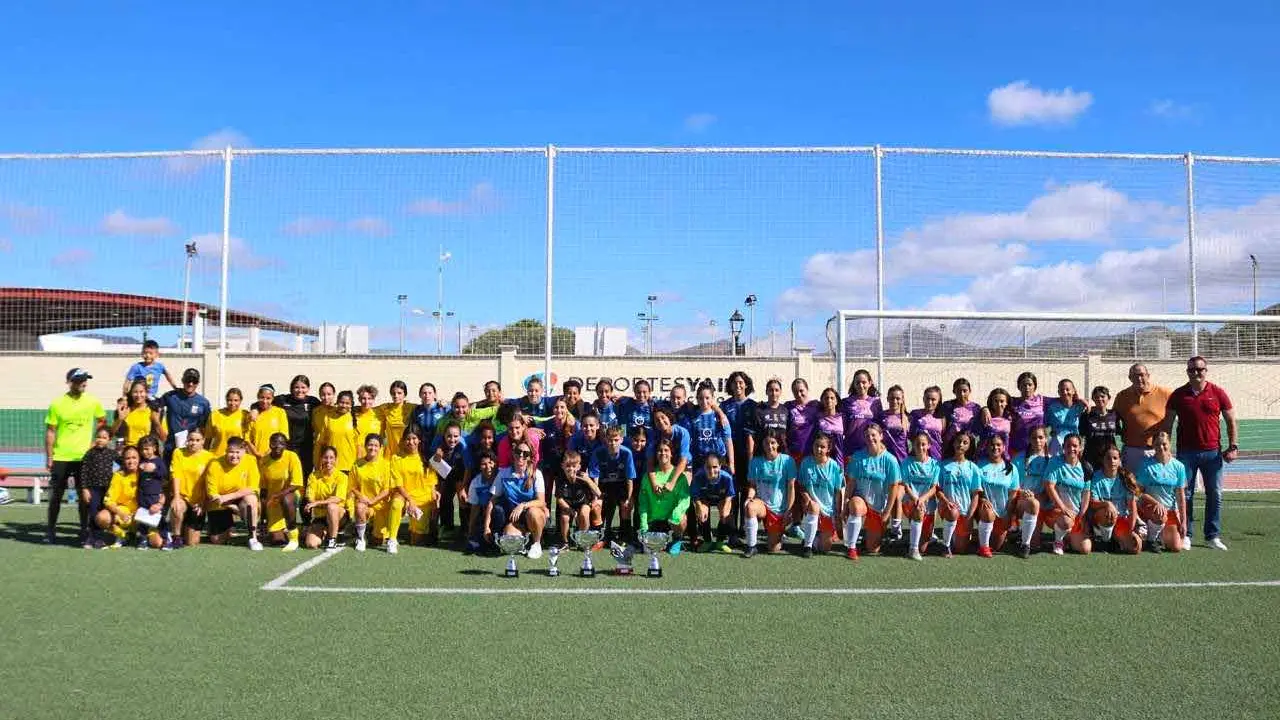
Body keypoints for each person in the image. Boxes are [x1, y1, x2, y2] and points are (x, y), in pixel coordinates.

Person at [1162, 356, 1238, 551]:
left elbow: (1230, 420)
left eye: (1200, 369)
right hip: (1185, 454)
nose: (1196, 372)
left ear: (1206, 370)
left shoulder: (1218, 392)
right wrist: (1166, 449)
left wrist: (1233, 446)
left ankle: (1212, 536)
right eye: (1192, 370)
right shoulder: (1178, 395)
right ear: (1187, 372)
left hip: (1213, 454)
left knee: (1215, 494)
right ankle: (1186, 534)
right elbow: (1168, 424)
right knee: (1185, 494)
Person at [44, 367, 107, 544]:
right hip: (61, 457)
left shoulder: (93, 402)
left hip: (84, 459)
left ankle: (83, 531)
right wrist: (49, 457)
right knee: (56, 496)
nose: (83, 383)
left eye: (85, 379)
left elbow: (102, 422)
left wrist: (94, 443)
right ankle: (50, 531)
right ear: (70, 382)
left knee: (84, 497)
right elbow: (50, 431)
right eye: (79, 380)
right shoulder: (57, 403)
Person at [843, 423, 903, 559]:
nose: (870, 438)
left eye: (873, 435)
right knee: (856, 507)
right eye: (867, 436)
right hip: (861, 500)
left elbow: (894, 488)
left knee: (873, 549)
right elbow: (851, 483)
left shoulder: (890, 460)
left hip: (879, 506)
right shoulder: (858, 457)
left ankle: (867, 536)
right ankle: (851, 548)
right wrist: (846, 503)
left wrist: (887, 512)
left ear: (881, 436)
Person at [484, 439, 549, 559]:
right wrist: (486, 527)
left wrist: (523, 505)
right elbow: (492, 501)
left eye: (526, 454)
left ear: (530, 457)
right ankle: (525, 539)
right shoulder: (504, 473)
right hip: (514, 518)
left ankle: (537, 543)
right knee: (510, 538)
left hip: (531, 515)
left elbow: (541, 501)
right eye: (519, 452)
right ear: (513, 453)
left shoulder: (536, 474)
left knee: (533, 512)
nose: (521, 456)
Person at [975, 435, 1037, 559]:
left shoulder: (1010, 468)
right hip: (985, 511)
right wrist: (982, 498)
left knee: (997, 546)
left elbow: (1013, 495)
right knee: (987, 511)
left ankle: (1025, 545)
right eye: (992, 444)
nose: (995, 447)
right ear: (987, 447)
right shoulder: (979, 465)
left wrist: (1008, 515)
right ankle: (983, 547)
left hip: (1003, 512)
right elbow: (975, 489)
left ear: (1004, 448)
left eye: (998, 445)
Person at [203, 437, 264, 551]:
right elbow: (213, 495)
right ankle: (230, 528)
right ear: (226, 451)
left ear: (244, 451)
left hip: (236, 498)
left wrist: (228, 497)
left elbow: (252, 488)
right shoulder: (215, 464)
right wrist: (230, 506)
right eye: (231, 452)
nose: (234, 455)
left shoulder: (251, 460)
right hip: (220, 503)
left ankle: (253, 538)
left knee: (251, 500)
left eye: (237, 452)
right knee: (216, 540)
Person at [742, 431, 797, 557]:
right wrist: (750, 497)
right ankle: (751, 546)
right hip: (762, 504)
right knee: (750, 507)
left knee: (773, 548)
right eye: (767, 443)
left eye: (773, 443)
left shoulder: (788, 461)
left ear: (778, 444)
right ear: (762, 444)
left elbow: (791, 488)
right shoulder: (755, 462)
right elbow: (752, 486)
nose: (770, 446)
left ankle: (777, 535)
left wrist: (788, 511)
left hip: (779, 509)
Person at [1135, 431, 1188, 553]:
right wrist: (1155, 503)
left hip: (1169, 511)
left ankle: (1158, 533)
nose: (1161, 447)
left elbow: (1180, 496)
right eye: (1157, 444)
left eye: (1164, 444)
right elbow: (1138, 492)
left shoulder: (1179, 467)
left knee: (1176, 547)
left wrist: (1184, 521)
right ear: (1153, 446)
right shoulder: (1146, 464)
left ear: (1169, 443)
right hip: (1149, 507)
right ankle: (1151, 540)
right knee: (1160, 514)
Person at [1114, 363, 1172, 471]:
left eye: (1142, 375)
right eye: (1135, 376)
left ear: (1148, 376)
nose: (1139, 379)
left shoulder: (1165, 393)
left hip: (1156, 450)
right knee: (1131, 485)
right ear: (1130, 378)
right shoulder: (1122, 396)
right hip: (1131, 450)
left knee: (1155, 485)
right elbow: (1114, 419)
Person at [637, 439, 691, 555]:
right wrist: (643, 525)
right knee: (649, 550)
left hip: (671, 521)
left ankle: (677, 540)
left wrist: (675, 514)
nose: (663, 453)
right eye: (660, 451)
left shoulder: (679, 477)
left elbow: (685, 500)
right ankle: (657, 540)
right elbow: (643, 503)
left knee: (682, 519)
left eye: (666, 450)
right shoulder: (648, 477)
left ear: (671, 453)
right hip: (654, 520)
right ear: (656, 454)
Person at [349, 434, 401, 554]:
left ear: (381, 447)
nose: (373, 448)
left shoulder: (386, 465)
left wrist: (373, 501)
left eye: (376, 445)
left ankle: (374, 529)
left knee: (377, 540)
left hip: (381, 506)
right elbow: (352, 487)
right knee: (359, 507)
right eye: (370, 445)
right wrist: (360, 496)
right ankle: (361, 538)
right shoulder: (357, 464)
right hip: (365, 504)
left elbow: (387, 490)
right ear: (365, 446)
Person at [1041, 434, 1092, 556]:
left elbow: (1086, 493)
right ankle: (1058, 542)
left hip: (1074, 514)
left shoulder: (1085, 467)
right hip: (1055, 512)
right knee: (1066, 521)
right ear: (1063, 447)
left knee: (1085, 549)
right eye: (1068, 445)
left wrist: (1082, 514)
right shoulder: (1055, 462)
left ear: (1080, 448)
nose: (1071, 449)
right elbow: (1049, 486)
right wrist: (1063, 508)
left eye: (1075, 446)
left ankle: (1067, 538)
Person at [796, 433, 843, 557]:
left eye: (822, 447)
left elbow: (838, 492)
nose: (818, 449)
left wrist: (838, 513)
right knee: (814, 507)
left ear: (828, 449)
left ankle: (815, 536)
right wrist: (807, 498)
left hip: (828, 510)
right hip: (811, 506)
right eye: (816, 446)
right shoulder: (806, 463)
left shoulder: (834, 466)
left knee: (825, 548)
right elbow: (801, 486)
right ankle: (808, 546)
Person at [1088, 445, 1142, 554]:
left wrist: (1131, 530)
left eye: (1115, 458)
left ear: (1119, 460)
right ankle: (1105, 541)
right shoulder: (1096, 477)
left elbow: (1132, 507)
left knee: (1134, 548)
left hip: (1121, 519)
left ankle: (1116, 539)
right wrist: (1107, 504)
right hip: (1102, 517)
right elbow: (1092, 503)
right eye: (1108, 458)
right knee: (1108, 512)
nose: (1111, 461)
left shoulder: (1125, 477)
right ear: (1102, 460)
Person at [589, 426, 636, 545]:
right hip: (604, 486)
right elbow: (595, 477)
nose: (613, 443)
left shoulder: (627, 453)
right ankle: (601, 536)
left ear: (621, 439)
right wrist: (596, 497)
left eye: (616, 440)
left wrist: (629, 499)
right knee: (598, 506)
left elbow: (630, 478)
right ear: (605, 439)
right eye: (610, 440)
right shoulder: (598, 452)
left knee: (625, 507)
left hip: (621, 485)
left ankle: (624, 536)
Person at [392, 430, 440, 546]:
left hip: (423, 499)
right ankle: (392, 538)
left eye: (414, 438)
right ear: (403, 441)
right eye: (408, 439)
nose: (411, 442)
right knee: (396, 503)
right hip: (406, 497)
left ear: (419, 440)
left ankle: (417, 528)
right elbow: (398, 484)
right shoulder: (396, 458)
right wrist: (410, 500)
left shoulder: (427, 457)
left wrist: (434, 500)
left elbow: (432, 481)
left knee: (417, 540)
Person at [168, 427, 213, 548]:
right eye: (191, 439)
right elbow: (176, 475)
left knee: (192, 542)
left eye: (197, 440)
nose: (193, 443)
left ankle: (184, 527)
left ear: (203, 441)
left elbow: (209, 483)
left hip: (198, 502)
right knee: (177, 507)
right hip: (183, 497)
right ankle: (176, 537)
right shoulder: (178, 453)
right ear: (187, 440)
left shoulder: (210, 457)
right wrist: (176, 497)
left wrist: (203, 503)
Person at [721, 371, 757, 526]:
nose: (738, 385)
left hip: (748, 454)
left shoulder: (753, 406)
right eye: (735, 382)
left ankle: (744, 525)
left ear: (746, 384)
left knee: (747, 489)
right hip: (730, 454)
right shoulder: (725, 406)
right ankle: (731, 527)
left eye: (741, 382)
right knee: (732, 490)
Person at [937, 432, 980, 557]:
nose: (961, 445)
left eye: (965, 443)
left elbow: (975, 495)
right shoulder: (943, 465)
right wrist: (946, 501)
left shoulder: (973, 468)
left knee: (961, 549)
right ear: (953, 443)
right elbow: (938, 489)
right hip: (948, 508)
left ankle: (966, 536)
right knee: (953, 512)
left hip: (965, 511)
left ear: (969, 447)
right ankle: (946, 546)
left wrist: (970, 516)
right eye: (958, 441)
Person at [900, 430, 940, 561]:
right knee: (918, 510)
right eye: (917, 444)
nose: (920, 447)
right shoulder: (906, 462)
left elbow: (934, 488)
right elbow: (906, 486)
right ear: (913, 445)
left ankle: (915, 536)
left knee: (925, 546)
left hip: (927, 503)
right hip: (911, 502)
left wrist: (922, 499)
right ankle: (913, 550)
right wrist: (917, 500)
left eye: (923, 444)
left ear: (929, 445)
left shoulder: (935, 464)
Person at [260, 432, 304, 550]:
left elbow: (296, 484)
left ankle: (293, 532)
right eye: (275, 443)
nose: (278, 446)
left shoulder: (292, 457)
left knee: (286, 499)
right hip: (272, 501)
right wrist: (263, 516)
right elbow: (263, 489)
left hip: (289, 496)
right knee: (277, 540)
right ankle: (282, 530)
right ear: (270, 444)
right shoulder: (264, 461)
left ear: (285, 445)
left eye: (282, 443)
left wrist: (278, 495)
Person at [157, 368, 210, 462]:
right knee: (168, 476)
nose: (190, 384)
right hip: (171, 446)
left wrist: (202, 445)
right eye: (188, 380)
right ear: (182, 380)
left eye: (194, 381)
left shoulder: (203, 402)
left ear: (198, 383)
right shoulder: (171, 396)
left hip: (192, 448)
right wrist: (159, 429)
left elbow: (205, 427)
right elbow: (154, 408)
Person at [274, 374, 321, 477]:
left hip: (306, 447)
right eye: (296, 387)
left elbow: (328, 408)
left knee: (304, 475)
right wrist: (254, 408)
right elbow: (264, 400)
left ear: (308, 388)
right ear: (291, 388)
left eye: (303, 387)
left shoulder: (312, 402)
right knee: (288, 475)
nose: (300, 390)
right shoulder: (282, 400)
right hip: (287, 446)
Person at [77, 427, 117, 548]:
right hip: (93, 489)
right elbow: (83, 472)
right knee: (93, 513)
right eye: (99, 437)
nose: (101, 440)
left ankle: (100, 538)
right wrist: (84, 489)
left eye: (104, 438)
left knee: (103, 515)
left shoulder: (111, 453)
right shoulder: (90, 453)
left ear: (109, 440)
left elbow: (124, 463)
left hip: (107, 490)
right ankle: (91, 538)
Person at [556, 450, 603, 549]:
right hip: (568, 505)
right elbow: (559, 499)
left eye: (574, 466)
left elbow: (599, 493)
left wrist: (589, 481)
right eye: (568, 466)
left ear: (578, 467)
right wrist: (570, 510)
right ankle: (565, 542)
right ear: (562, 466)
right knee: (564, 516)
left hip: (583, 503)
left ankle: (583, 539)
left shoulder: (583, 477)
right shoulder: (560, 478)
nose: (571, 469)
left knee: (584, 511)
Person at [303, 446, 348, 550]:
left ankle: (333, 539)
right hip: (320, 516)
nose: (328, 461)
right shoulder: (313, 476)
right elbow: (310, 498)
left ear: (336, 460)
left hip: (339, 515)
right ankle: (326, 532)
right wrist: (317, 502)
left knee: (332, 507)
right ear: (321, 459)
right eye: (325, 457)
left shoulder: (342, 477)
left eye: (331, 458)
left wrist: (318, 503)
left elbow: (337, 499)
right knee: (311, 544)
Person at [689, 453, 736, 553]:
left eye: (715, 467)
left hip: (721, 499)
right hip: (705, 499)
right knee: (702, 513)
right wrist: (699, 507)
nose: (711, 470)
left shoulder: (727, 478)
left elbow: (729, 496)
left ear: (720, 466)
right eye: (708, 467)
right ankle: (707, 541)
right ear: (704, 467)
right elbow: (695, 496)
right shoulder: (698, 476)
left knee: (725, 515)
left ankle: (720, 542)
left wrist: (726, 511)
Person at [97, 445, 141, 549]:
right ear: (123, 460)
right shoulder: (118, 476)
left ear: (139, 459)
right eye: (127, 458)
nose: (131, 461)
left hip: (141, 513)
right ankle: (122, 535)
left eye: (134, 458)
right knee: (102, 518)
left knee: (156, 542)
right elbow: (108, 500)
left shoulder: (145, 474)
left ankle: (139, 535)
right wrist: (120, 513)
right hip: (124, 512)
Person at [1017, 426, 1054, 549]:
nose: (1037, 441)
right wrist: (1023, 494)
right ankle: (1022, 538)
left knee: (1036, 544)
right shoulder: (1019, 458)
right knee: (1033, 504)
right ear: (1029, 439)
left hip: (1045, 502)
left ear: (1046, 439)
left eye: (1041, 437)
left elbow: (1054, 487)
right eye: (1034, 438)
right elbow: (1012, 485)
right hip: (1024, 501)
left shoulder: (1053, 460)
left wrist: (1042, 496)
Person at [134, 435, 168, 549]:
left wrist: (154, 470)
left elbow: (164, 474)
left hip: (154, 495)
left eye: (147, 449)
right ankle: (143, 540)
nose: (145, 452)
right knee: (143, 518)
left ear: (154, 448)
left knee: (159, 517)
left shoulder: (158, 461)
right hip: (142, 495)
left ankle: (166, 539)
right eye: (142, 449)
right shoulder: (141, 461)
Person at [464, 450, 501, 553]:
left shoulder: (501, 477)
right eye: (484, 464)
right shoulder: (476, 483)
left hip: (501, 516)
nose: (488, 466)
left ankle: (498, 538)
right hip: (485, 518)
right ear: (479, 466)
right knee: (472, 546)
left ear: (495, 464)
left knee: (498, 510)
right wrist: (471, 531)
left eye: (490, 463)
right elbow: (475, 509)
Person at [840, 369, 881, 457]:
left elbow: (879, 427)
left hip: (870, 449)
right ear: (854, 385)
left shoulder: (876, 402)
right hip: (851, 450)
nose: (861, 385)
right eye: (857, 383)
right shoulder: (846, 402)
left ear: (870, 383)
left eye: (864, 382)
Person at [1079, 385, 1119, 472]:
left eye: (1102, 396)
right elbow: (1081, 435)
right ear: (1093, 399)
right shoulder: (1087, 415)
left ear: (1109, 398)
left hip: (1109, 456)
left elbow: (1119, 434)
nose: (1099, 399)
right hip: (1091, 455)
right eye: (1096, 397)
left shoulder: (1114, 415)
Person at [317, 390, 358, 473]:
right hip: (330, 464)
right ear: (337, 402)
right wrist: (319, 462)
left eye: (347, 403)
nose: (344, 405)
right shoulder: (328, 417)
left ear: (351, 405)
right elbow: (322, 442)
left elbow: (358, 445)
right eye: (341, 402)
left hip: (349, 464)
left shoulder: (355, 419)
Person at [114, 380, 163, 447]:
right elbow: (112, 434)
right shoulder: (125, 409)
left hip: (146, 451)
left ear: (146, 393)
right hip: (129, 451)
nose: (138, 395)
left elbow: (163, 438)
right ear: (131, 393)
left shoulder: (154, 410)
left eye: (141, 392)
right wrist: (119, 419)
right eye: (135, 392)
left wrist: (156, 422)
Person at [1045, 379, 1088, 455]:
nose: (1065, 392)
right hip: (1057, 447)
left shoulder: (1080, 407)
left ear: (1073, 391)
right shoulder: (1052, 408)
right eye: (1062, 390)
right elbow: (1044, 426)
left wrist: (1082, 401)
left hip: (1074, 445)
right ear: (1058, 392)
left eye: (1067, 389)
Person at [246, 384, 289, 459]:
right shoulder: (252, 415)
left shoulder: (280, 413)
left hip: (274, 457)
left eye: (268, 398)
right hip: (255, 457)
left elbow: (284, 436)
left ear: (272, 399)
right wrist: (256, 453)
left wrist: (269, 452)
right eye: (262, 397)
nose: (264, 401)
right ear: (258, 397)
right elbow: (247, 438)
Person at [377, 380, 417, 459]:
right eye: (393, 393)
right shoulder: (385, 408)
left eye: (399, 393)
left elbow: (428, 407)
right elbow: (369, 408)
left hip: (408, 451)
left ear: (404, 394)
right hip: (391, 452)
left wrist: (441, 404)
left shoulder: (411, 407)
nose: (396, 396)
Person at [205, 388, 249, 456]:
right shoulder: (215, 414)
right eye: (229, 400)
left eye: (236, 400)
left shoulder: (245, 415)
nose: (232, 403)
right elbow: (208, 439)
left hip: (237, 457)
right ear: (226, 400)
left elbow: (248, 441)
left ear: (241, 401)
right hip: (217, 456)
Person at [1010, 371, 1045, 457]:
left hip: (1037, 446)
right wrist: (985, 409)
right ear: (1019, 387)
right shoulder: (1012, 402)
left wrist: (1080, 401)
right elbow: (995, 399)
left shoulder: (1042, 400)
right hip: (1017, 448)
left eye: (1030, 384)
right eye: (1023, 385)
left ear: (1035, 386)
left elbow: (1062, 400)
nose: (1027, 387)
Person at [751, 378, 788, 456]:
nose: (774, 393)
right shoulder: (759, 410)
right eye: (771, 390)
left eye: (776, 390)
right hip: (763, 454)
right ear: (766, 392)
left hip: (781, 454)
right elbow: (753, 435)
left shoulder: (785, 410)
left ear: (780, 392)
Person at [785, 378, 819, 464]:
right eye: (795, 392)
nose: (799, 394)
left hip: (811, 453)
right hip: (793, 453)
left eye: (801, 390)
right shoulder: (788, 406)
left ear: (807, 389)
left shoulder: (816, 405)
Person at [811, 388, 846, 467]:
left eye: (832, 398)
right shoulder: (818, 419)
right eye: (826, 398)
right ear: (822, 401)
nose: (829, 400)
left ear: (836, 401)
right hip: (821, 460)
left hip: (839, 461)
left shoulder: (843, 418)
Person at [409, 382, 449, 452]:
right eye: (424, 393)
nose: (427, 396)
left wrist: (448, 404)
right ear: (420, 395)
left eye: (430, 393)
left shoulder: (443, 408)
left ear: (435, 395)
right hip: (423, 449)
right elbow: (413, 430)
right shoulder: (417, 410)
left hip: (441, 449)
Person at [940, 378, 980, 446]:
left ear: (970, 391)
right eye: (958, 391)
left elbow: (978, 427)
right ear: (954, 391)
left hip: (969, 444)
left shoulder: (976, 408)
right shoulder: (947, 406)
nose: (962, 394)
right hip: (950, 443)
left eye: (965, 391)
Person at [908, 386, 945, 461]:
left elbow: (944, 438)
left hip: (936, 457)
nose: (929, 402)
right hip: (918, 456)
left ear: (939, 400)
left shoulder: (942, 417)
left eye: (933, 399)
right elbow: (909, 435)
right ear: (923, 399)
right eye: (927, 398)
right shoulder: (915, 414)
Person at [876, 385, 911, 461]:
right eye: (892, 398)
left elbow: (912, 440)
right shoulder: (881, 416)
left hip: (903, 459)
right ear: (887, 399)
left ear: (902, 400)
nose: (894, 401)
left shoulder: (908, 417)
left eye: (898, 398)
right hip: (884, 459)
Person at [616, 379, 655, 447]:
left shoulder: (654, 407)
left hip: (649, 446)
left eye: (644, 392)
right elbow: (622, 427)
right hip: (629, 444)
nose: (641, 395)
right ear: (634, 392)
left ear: (649, 393)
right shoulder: (626, 406)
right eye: (638, 392)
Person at [978, 387, 1013, 460]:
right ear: (991, 402)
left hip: (1004, 459)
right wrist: (984, 409)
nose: (999, 404)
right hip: (984, 458)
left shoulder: (1011, 418)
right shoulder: (985, 417)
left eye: (1002, 401)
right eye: (996, 401)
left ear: (1006, 402)